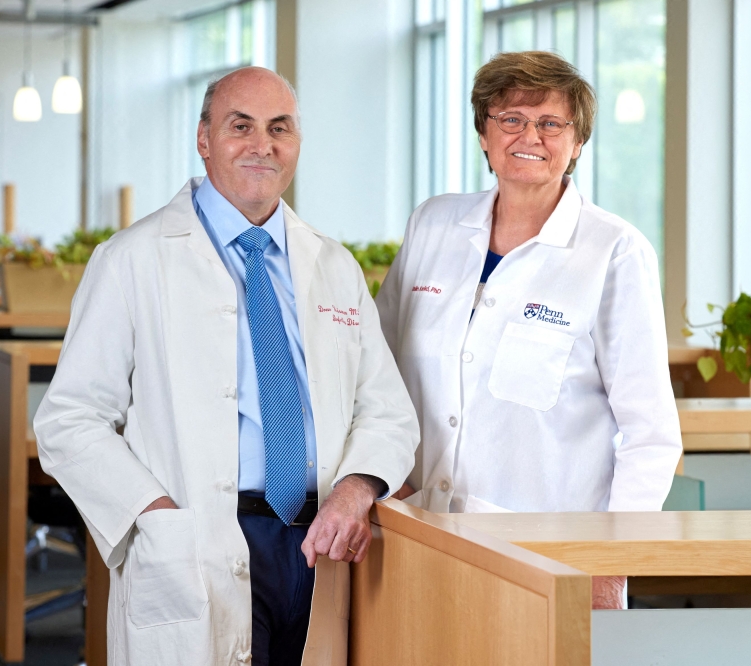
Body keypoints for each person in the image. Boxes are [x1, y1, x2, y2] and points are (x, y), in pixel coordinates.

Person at [34, 67, 419, 665]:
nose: (262, 145)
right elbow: (68, 420)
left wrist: (355, 489)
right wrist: (156, 515)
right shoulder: (132, 260)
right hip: (199, 540)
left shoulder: (333, 264)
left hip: (323, 544)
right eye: (241, 126)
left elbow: (387, 410)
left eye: (280, 128)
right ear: (204, 139)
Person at [375, 51, 682, 610]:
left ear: (578, 142)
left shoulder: (614, 250)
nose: (529, 136)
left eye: (550, 123)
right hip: (414, 532)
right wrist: (382, 481)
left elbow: (650, 432)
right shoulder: (433, 224)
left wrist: (608, 565)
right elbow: (376, 370)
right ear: (484, 135)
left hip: (547, 559)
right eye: (511, 119)